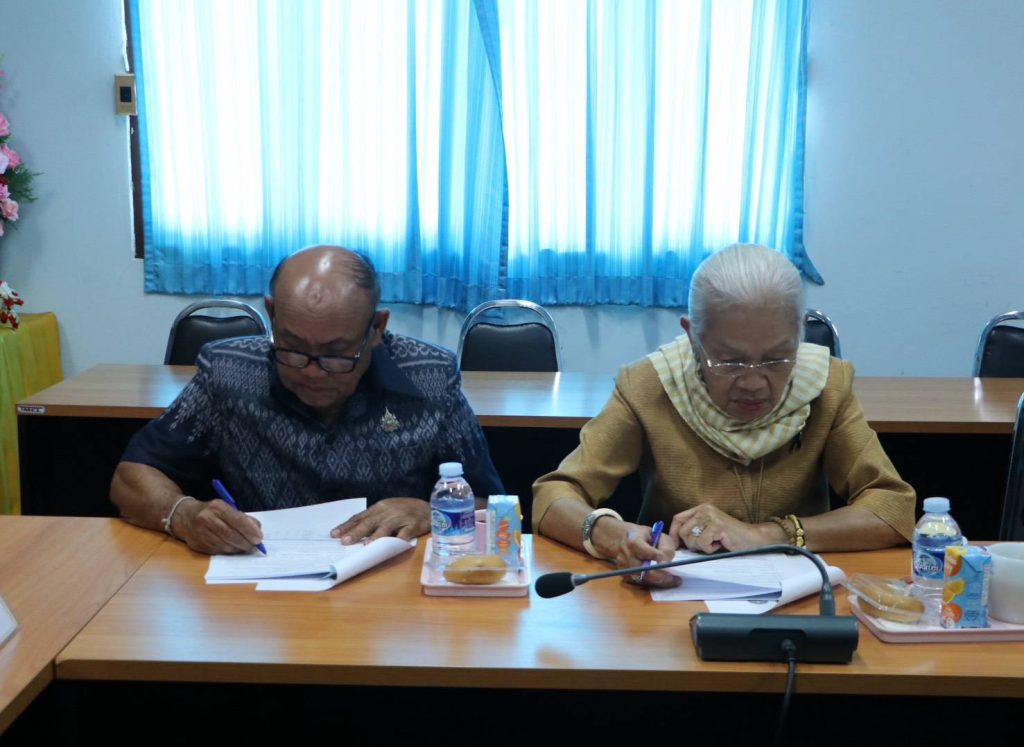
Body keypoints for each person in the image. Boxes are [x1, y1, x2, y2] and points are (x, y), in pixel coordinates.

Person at [532, 243, 915, 587]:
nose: (754, 383)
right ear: (692, 337)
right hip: (675, 595)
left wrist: (768, 534)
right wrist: (618, 537)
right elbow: (553, 495)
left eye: (777, 358)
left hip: (799, 599)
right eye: (729, 361)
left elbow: (893, 509)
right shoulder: (650, 386)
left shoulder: (825, 386)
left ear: (798, 334)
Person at [112, 245, 503, 554]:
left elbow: (495, 504)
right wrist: (183, 515)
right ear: (272, 316)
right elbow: (132, 476)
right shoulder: (228, 370)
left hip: (390, 590)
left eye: (337, 354)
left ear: (376, 328)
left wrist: (431, 512)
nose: (313, 373)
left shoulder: (430, 378)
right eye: (293, 349)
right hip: (259, 582)